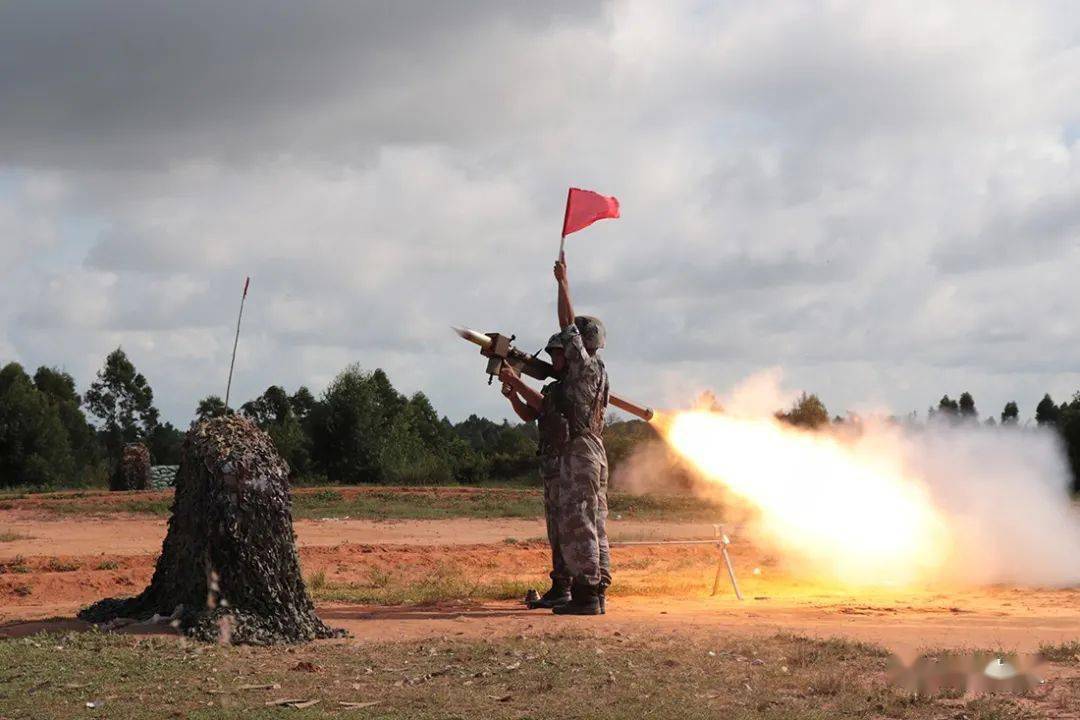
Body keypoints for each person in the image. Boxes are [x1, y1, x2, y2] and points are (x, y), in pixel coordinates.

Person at [549, 254, 611, 615]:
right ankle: (598, 590)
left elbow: (566, 324)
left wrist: (562, 283)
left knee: (579, 520)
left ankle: (586, 596)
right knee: (596, 520)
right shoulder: (601, 372)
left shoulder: (584, 367)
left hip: (580, 450)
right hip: (596, 448)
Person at [498, 335, 572, 609]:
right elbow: (530, 414)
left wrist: (517, 380)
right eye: (551, 355)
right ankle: (561, 585)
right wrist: (513, 394)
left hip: (567, 467)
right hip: (552, 467)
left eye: (558, 355)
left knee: (567, 528)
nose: (553, 360)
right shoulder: (554, 388)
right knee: (556, 530)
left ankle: (573, 585)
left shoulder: (571, 389)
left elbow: (542, 406)